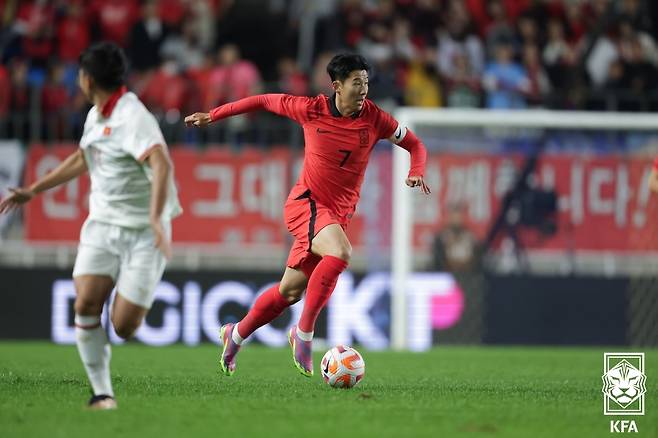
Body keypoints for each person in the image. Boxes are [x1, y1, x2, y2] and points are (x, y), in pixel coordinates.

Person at [185, 53, 430, 378]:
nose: (363, 90)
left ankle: (237, 334)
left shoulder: (375, 118)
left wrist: (416, 171)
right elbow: (262, 100)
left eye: (366, 83)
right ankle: (304, 334)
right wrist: (214, 116)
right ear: (337, 86)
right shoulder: (309, 109)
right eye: (357, 83)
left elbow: (415, 145)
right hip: (307, 204)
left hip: (335, 216)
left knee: (289, 291)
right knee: (341, 252)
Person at [0, 42, 182, 409]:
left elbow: (162, 164)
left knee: (124, 326)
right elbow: (84, 157)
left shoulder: (133, 116)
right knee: (84, 304)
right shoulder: (97, 114)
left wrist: (155, 219)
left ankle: (127, 290)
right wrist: (33, 190)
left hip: (144, 232)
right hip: (102, 224)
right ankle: (102, 393)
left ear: (86, 78)